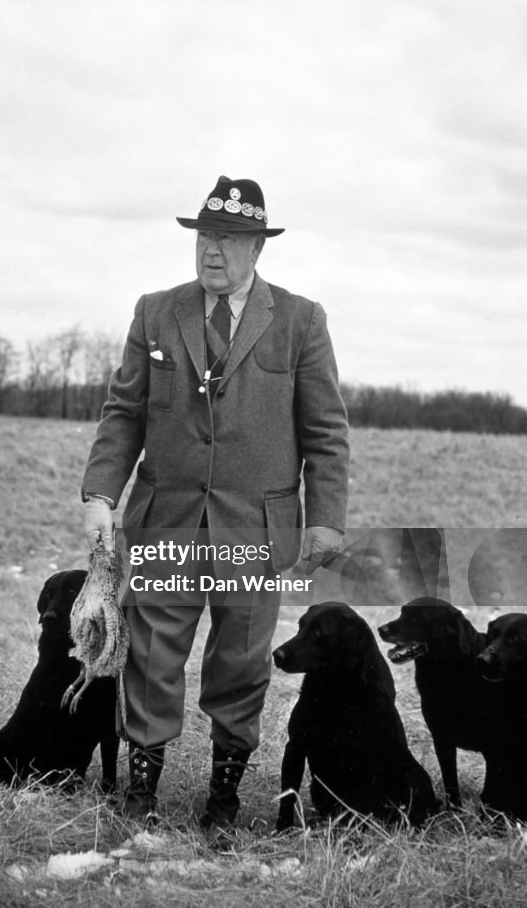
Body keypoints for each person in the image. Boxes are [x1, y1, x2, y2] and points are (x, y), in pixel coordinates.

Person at [80, 175, 349, 838]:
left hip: (255, 527)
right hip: (166, 517)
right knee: (150, 652)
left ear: (257, 247)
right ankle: (140, 792)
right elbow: (123, 414)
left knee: (240, 660)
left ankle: (223, 798)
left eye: (230, 239)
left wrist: (325, 521)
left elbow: (325, 432)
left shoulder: (300, 320)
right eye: (206, 236)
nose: (213, 251)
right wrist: (100, 494)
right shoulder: (155, 312)